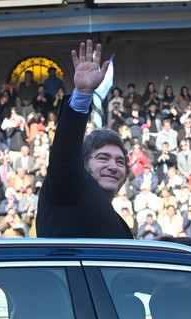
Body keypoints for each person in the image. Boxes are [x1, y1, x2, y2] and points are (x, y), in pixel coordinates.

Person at [37, 40, 133, 239]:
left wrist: (155, 250)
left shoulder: (112, 217)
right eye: (103, 158)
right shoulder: (67, 189)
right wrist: (82, 95)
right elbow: (64, 158)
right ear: (83, 165)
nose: (113, 166)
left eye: (120, 161)